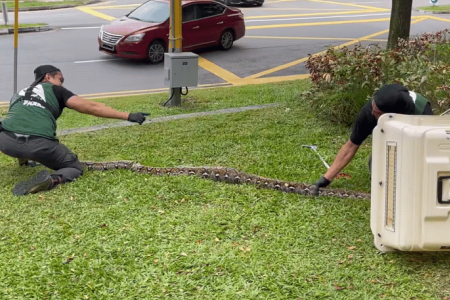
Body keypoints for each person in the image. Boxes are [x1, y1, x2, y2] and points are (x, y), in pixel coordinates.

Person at [0, 65, 148, 196]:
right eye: (60, 79)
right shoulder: (56, 90)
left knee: (12, 126)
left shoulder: (18, 94)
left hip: (6, 143)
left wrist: (22, 160)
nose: (62, 84)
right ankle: (51, 181)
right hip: (39, 146)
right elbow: (92, 107)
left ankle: (24, 161)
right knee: (74, 167)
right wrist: (128, 116)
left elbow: (19, 124)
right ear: (48, 77)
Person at [313, 83, 434, 195]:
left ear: (393, 115)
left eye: (377, 112)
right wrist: (325, 179)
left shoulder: (422, 113)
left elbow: (429, 152)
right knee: (377, 164)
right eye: (373, 107)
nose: (372, 113)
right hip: (390, 139)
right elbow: (351, 146)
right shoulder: (370, 111)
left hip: (415, 143)